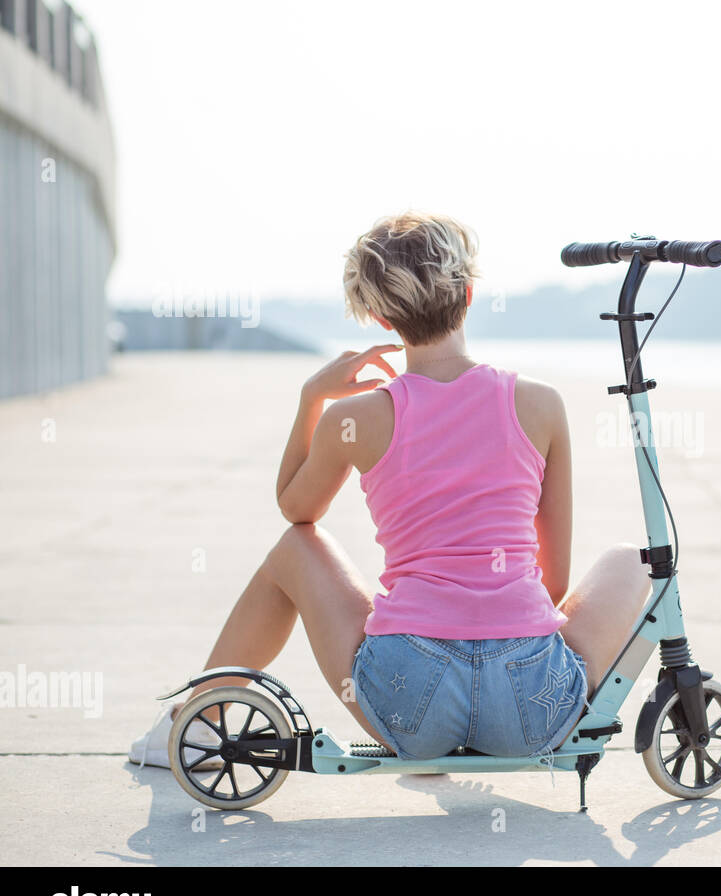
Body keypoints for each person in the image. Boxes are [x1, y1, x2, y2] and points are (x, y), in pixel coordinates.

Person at [131, 212, 651, 768]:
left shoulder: (355, 419)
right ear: (470, 293)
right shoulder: (541, 403)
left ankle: (199, 723)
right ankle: (511, 723)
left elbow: (294, 509)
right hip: (530, 707)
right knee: (633, 561)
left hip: (408, 704)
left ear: (380, 317)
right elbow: (553, 585)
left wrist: (312, 399)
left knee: (294, 547)